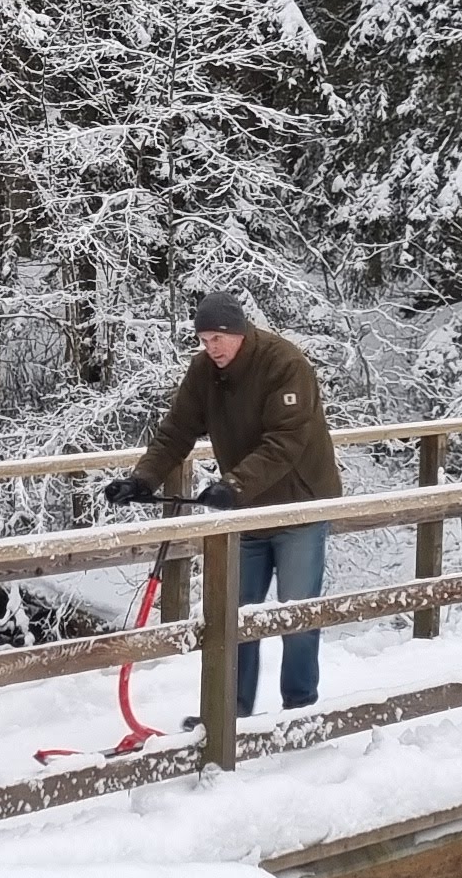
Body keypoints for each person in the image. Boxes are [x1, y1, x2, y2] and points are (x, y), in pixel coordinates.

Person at [102, 291, 342, 711]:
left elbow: (285, 442)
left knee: (297, 616)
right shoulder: (203, 372)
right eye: (204, 339)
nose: (211, 348)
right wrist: (143, 478)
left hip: (297, 507)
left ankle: (301, 708)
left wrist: (233, 483)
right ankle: (230, 712)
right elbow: (176, 431)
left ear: (240, 333)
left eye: (218, 338)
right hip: (245, 511)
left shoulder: (284, 364)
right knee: (233, 616)